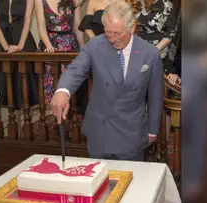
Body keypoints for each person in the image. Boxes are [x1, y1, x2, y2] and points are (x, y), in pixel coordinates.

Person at [51, 0, 163, 161]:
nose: (111, 38)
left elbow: (155, 96)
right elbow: (76, 70)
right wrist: (63, 91)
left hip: (131, 134)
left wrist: (152, 130)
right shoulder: (95, 45)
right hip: (100, 133)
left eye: (117, 33)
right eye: (108, 32)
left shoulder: (150, 53)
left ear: (132, 28)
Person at [0, 0, 38, 109]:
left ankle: (26, 120)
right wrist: (5, 46)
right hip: (2, 42)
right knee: (3, 84)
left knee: (24, 85)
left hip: (24, 41)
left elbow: (27, 21)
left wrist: (20, 46)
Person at [35, 0, 84, 103]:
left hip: (70, 48)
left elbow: (77, 28)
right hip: (50, 49)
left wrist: (83, 48)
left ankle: (69, 115)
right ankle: (55, 116)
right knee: (51, 87)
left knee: (70, 87)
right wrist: (48, 45)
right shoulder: (40, 1)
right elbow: (41, 28)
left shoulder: (74, 1)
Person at [135, 0, 180, 85]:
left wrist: (152, 52)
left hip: (159, 54)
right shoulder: (135, 3)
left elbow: (171, 33)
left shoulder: (165, 4)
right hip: (137, 52)